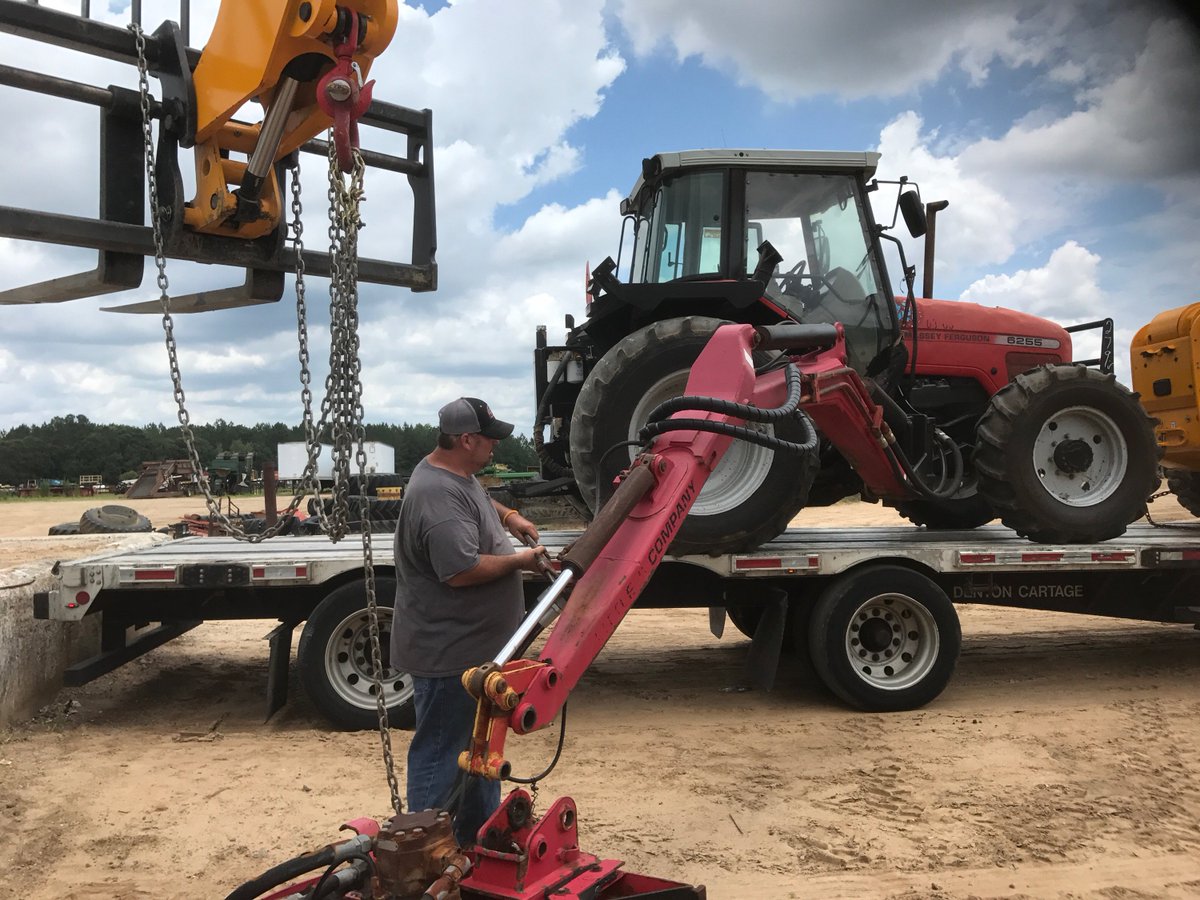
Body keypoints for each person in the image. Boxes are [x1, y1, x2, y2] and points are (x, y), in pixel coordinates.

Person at [391, 396, 543, 847]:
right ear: (467, 440)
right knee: (443, 756)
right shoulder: (435, 494)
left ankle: (476, 846)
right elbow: (460, 571)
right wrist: (522, 562)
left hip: (475, 657)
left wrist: (509, 516)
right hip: (451, 659)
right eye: (490, 438)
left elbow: (475, 497)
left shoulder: (454, 474)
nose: (496, 446)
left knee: (479, 755)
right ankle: (423, 853)